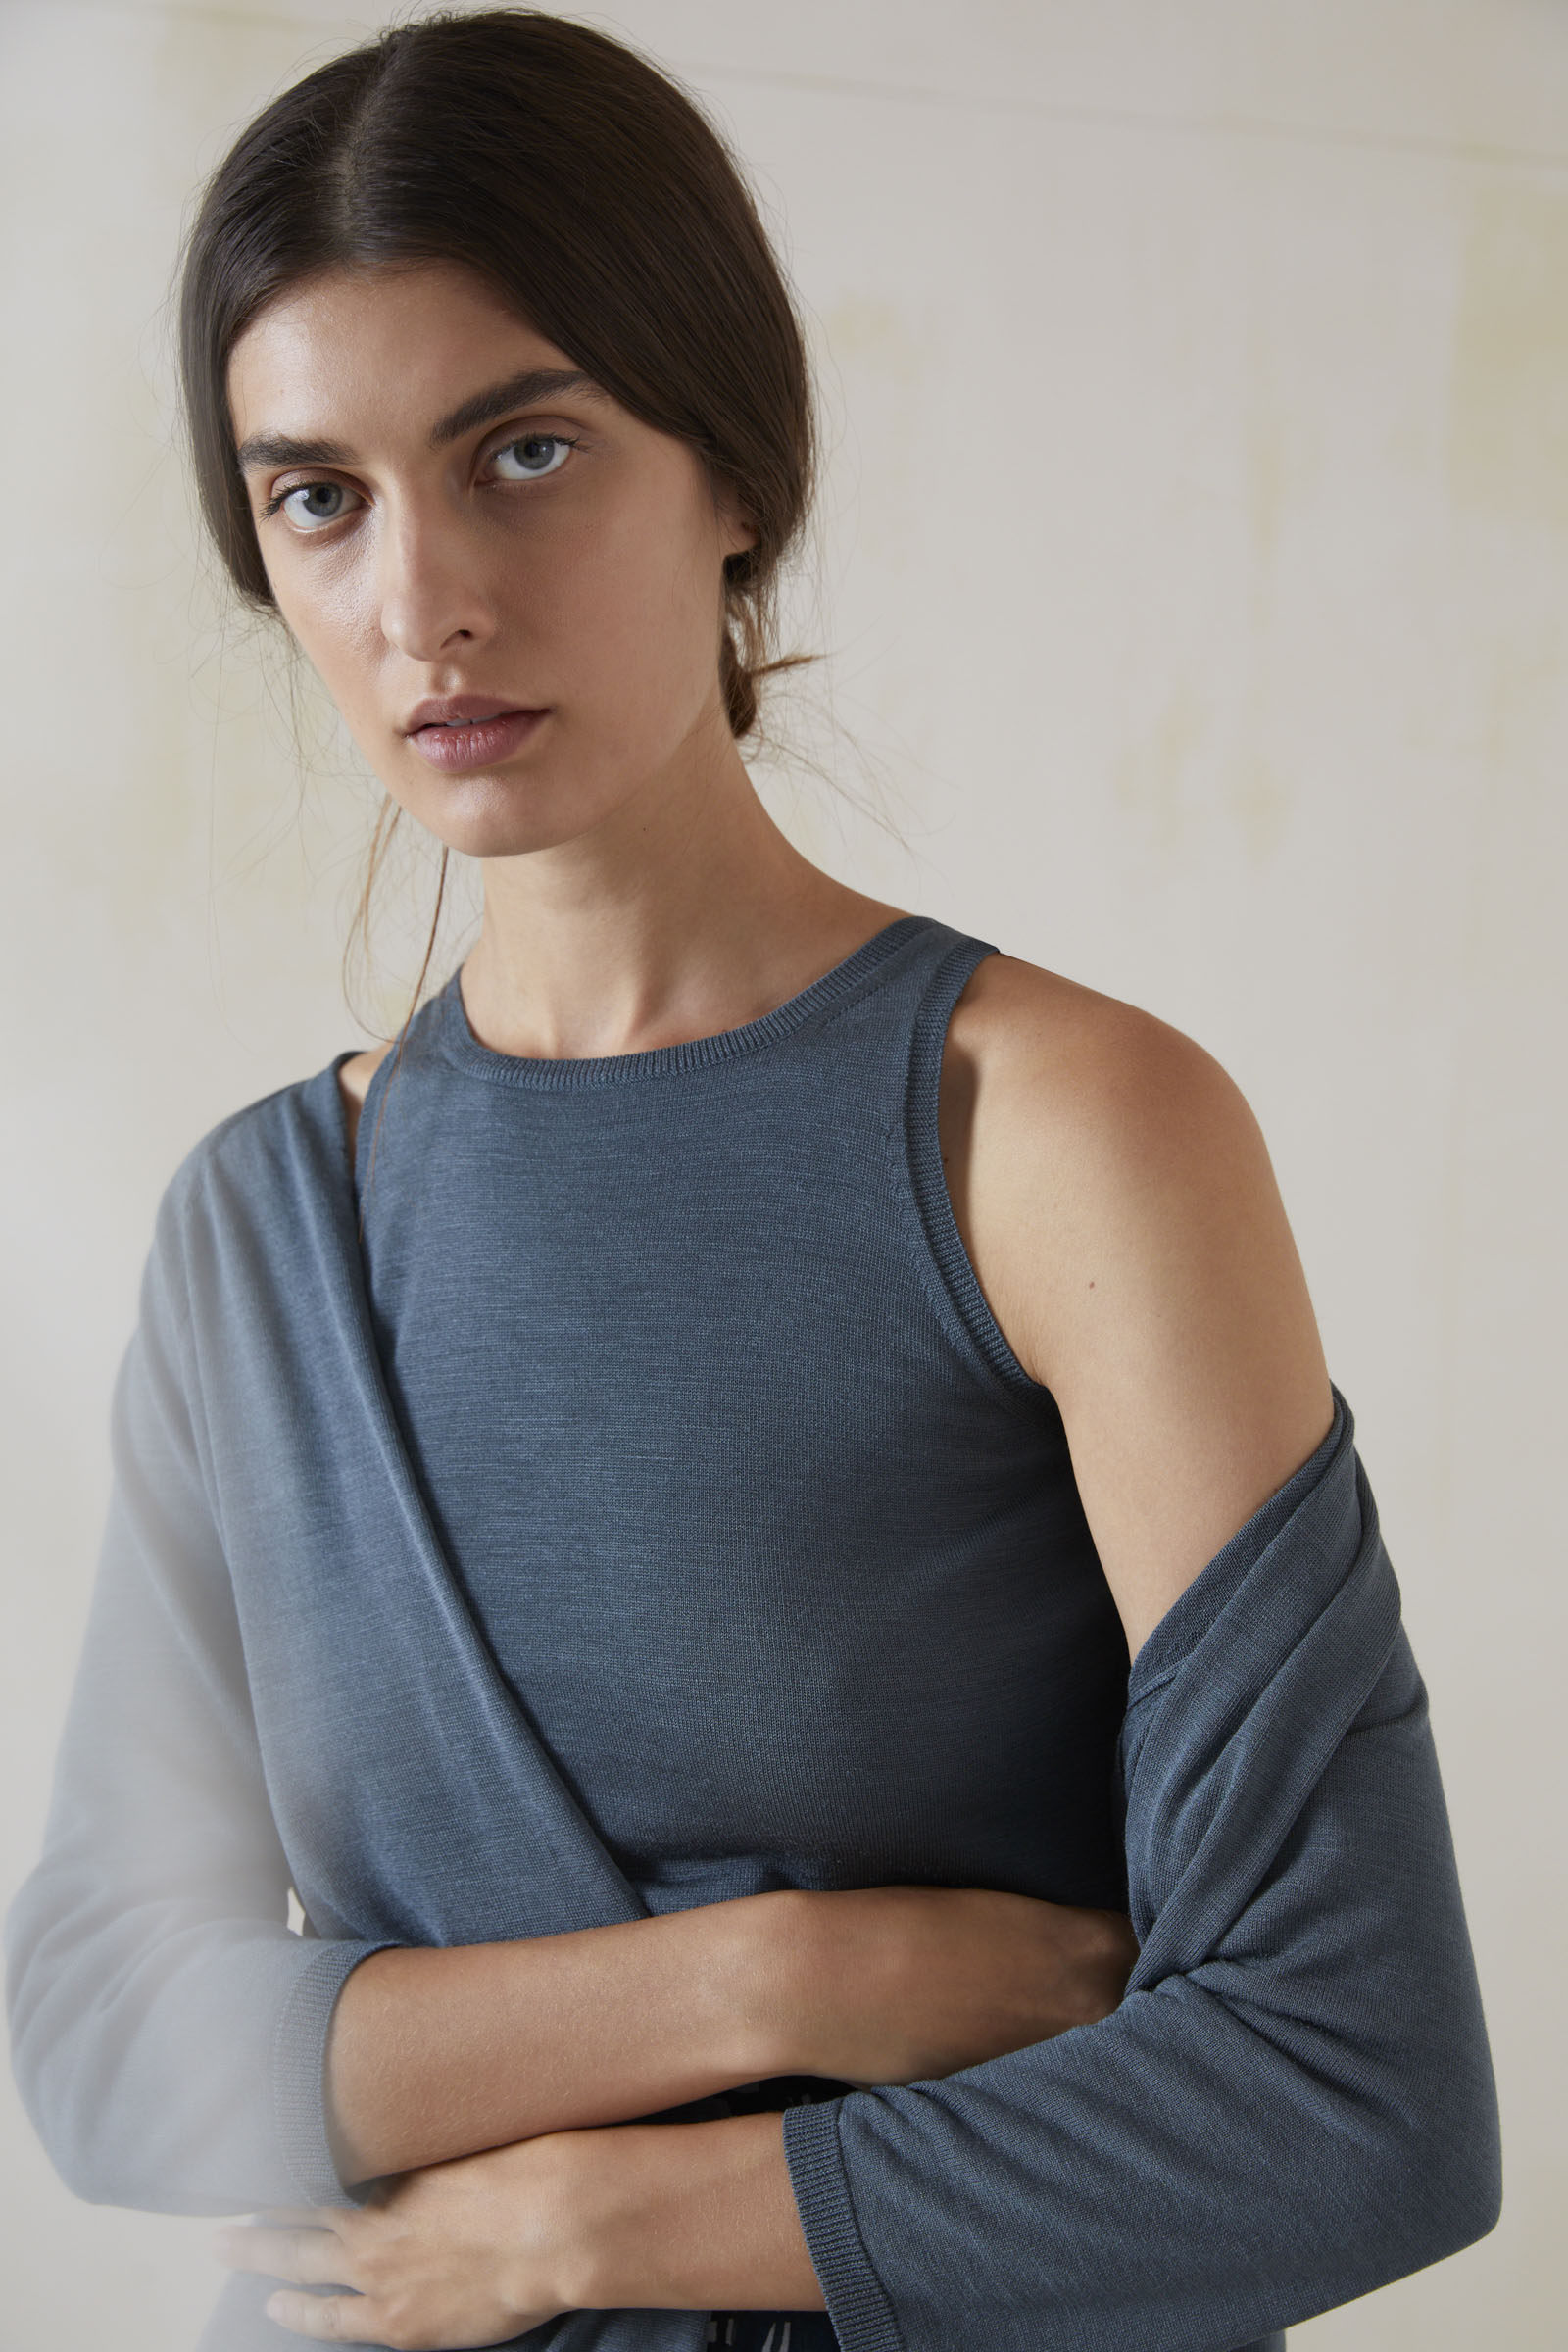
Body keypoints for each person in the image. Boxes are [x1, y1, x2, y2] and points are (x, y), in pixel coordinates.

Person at [4, 13, 1500, 2352]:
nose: (421, 600)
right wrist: (776, 1979)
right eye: (318, 498)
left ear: (736, 474)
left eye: (520, 452)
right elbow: (107, 2046)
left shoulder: (1049, 1134)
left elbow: (1349, 2096)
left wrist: (583, 2228)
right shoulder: (258, 1234)